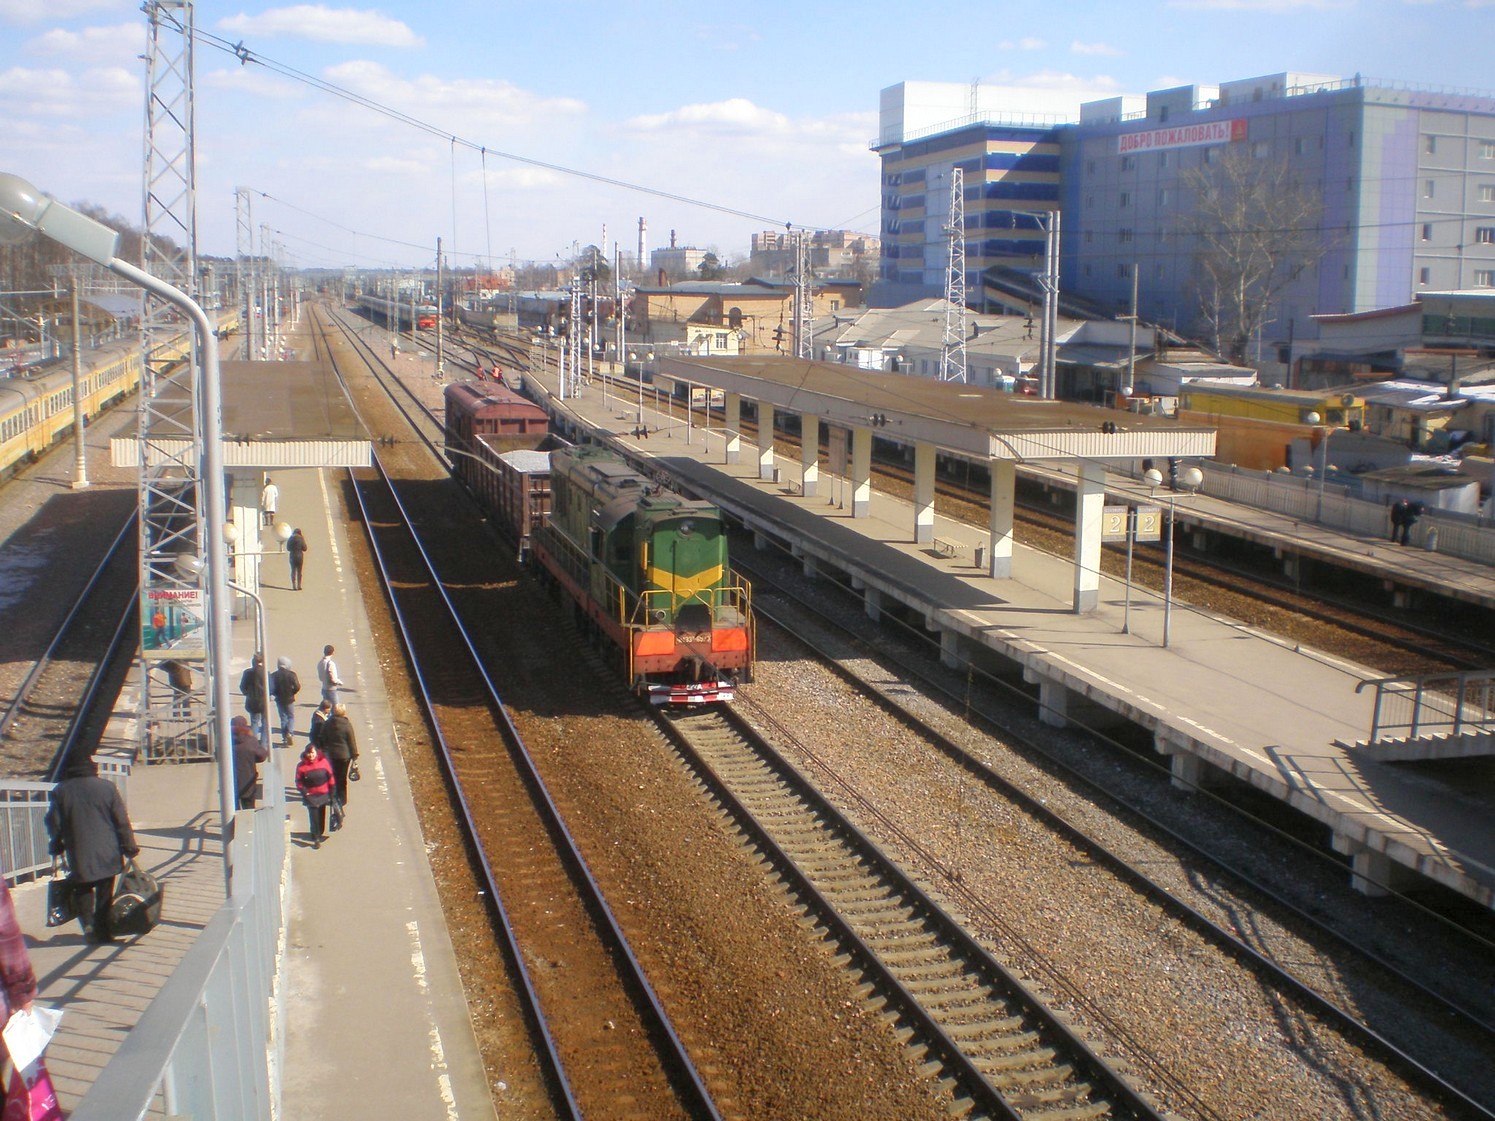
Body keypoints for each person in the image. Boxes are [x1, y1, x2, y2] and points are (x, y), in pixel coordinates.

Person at [45, 755, 139, 943]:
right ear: (93, 769)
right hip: (108, 851)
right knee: (105, 892)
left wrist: (56, 845)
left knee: (82, 889)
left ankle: (88, 926)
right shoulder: (107, 787)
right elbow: (121, 820)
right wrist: (129, 846)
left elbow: (53, 822)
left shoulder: (61, 791)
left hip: (78, 851)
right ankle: (104, 931)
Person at [317, 703, 359, 809]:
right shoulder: (346, 725)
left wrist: (323, 748)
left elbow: (322, 737)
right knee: (342, 778)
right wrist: (354, 756)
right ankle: (342, 799)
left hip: (331, 754)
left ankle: (333, 797)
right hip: (344, 756)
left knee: (332, 776)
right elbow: (351, 741)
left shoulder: (327, 723)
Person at [294, 745, 336, 848]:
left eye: (312, 753)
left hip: (323, 794)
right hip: (311, 796)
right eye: (309, 753)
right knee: (314, 817)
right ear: (306, 754)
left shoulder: (324, 762)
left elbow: (330, 777)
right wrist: (305, 792)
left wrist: (332, 791)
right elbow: (299, 782)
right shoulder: (301, 766)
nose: (311, 755)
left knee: (321, 815)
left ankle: (319, 832)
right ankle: (316, 837)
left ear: (316, 753)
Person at [232, 715, 268, 810]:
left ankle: (235, 819)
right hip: (248, 781)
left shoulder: (226, 742)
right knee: (249, 808)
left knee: (233, 809)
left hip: (231, 782)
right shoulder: (250, 740)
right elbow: (262, 755)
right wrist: (251, 758)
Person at [270, 656, 301, 745]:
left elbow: (271, 688)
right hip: (289, 699)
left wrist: (275, 694)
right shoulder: (291, 674)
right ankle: (290, 732)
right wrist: (292, 692)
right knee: (291, 716)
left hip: (279, 699)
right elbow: (297, 686)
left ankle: (284, 738)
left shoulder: (274, 675)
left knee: (283, 718)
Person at [239, 653, 267, 743]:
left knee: (254, 722)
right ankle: (264, 743)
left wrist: (247, 693)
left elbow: (242, 686)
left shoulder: (247, 673)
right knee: (265, 723)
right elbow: (272, 687)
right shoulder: (265, 672)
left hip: (252, 701)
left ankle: (254, 742)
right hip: (264, 701)